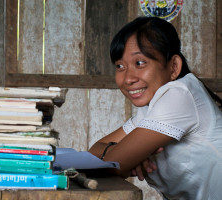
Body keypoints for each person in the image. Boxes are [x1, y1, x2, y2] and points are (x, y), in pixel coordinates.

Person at [89, 17, 222, 200]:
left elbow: (111, 166)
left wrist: (125, 157)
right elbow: (93, 153)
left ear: (173, 67)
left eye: (140, 63)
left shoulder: (179, 94)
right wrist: (126, 155)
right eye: (120, 66)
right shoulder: (151, 107)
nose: (128, 78)